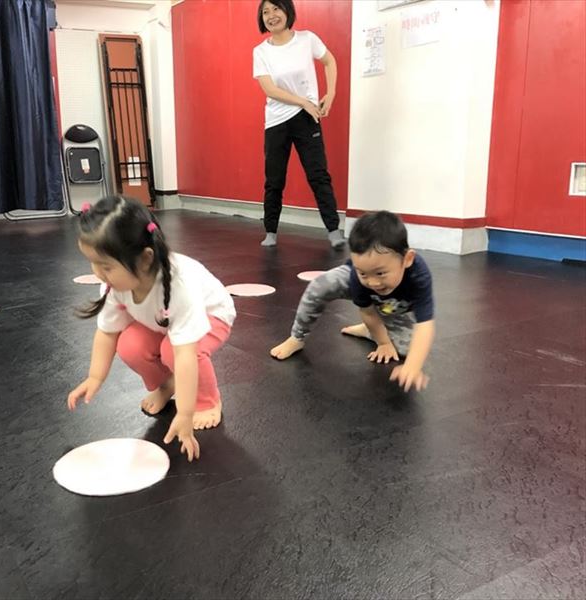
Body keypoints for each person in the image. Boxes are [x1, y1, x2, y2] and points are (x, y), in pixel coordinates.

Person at [67, 195, 236, 461]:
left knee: (173, 351)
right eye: (93, 263)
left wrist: (185, 414)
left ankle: (208, 401)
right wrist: (95, 377)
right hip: (162, 321)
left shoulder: (180, 286)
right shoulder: (114, 284)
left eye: (106, 266)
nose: (98, 273)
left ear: (145, 259)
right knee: (129, 345)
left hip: (212, 315)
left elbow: (185, 354)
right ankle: (166, 385)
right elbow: (107, 333)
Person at [270, 211, 435, 392]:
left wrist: (413, 366)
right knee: (320, 286)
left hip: (394, 305)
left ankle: (368, 331)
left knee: (408, 349)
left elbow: (425, 324)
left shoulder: (419, 276)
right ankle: (297, 337)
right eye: (364, 272)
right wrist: (383, 343)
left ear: (408, 259)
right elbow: (368, 311)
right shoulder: (359, 277)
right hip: (356, 286)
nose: (372, 282)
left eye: (380, 273)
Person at [253, 0, 345, 249]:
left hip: (306, 118)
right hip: (276, 121)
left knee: (318, 175)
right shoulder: (260, 51)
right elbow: (269, 89)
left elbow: (329, 61)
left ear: (287, 11)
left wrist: (331, 93)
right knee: (274, 180)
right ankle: (270, 231)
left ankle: (334, 231)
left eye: (276, 9)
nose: (271, 15)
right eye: (265, 12)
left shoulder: (307, 39)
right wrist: (303, 101)